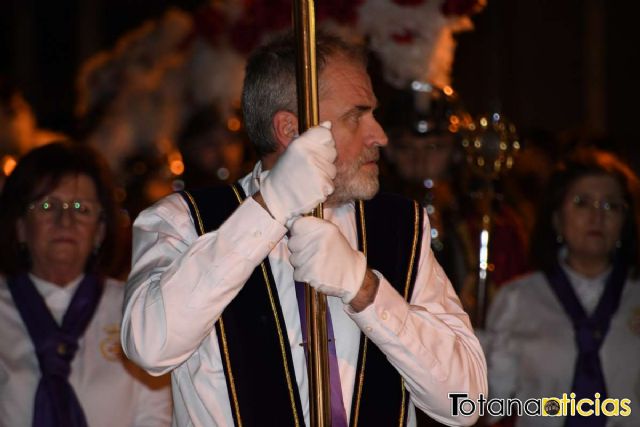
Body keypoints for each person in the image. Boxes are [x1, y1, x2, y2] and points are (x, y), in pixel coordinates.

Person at [121, 31, 487, 427]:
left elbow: (463, 403)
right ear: (291, 131)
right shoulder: (184, 220)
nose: (379, 135)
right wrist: (271, 208)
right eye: (356, 116)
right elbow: (149, 346)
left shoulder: (401, 225)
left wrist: (365, 290)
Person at [0, 141, 172, 426]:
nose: (64, 220)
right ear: (19, 226)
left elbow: (157, 416)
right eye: (47, 205)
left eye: (81, 208)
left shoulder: (134, 311)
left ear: (100, 231)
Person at [484, 148, 640, 426]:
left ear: (625, 223)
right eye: (582, 203)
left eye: (611, 205)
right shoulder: (518, 299)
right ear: (556, 218)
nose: (597, 216)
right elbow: (491, 404)